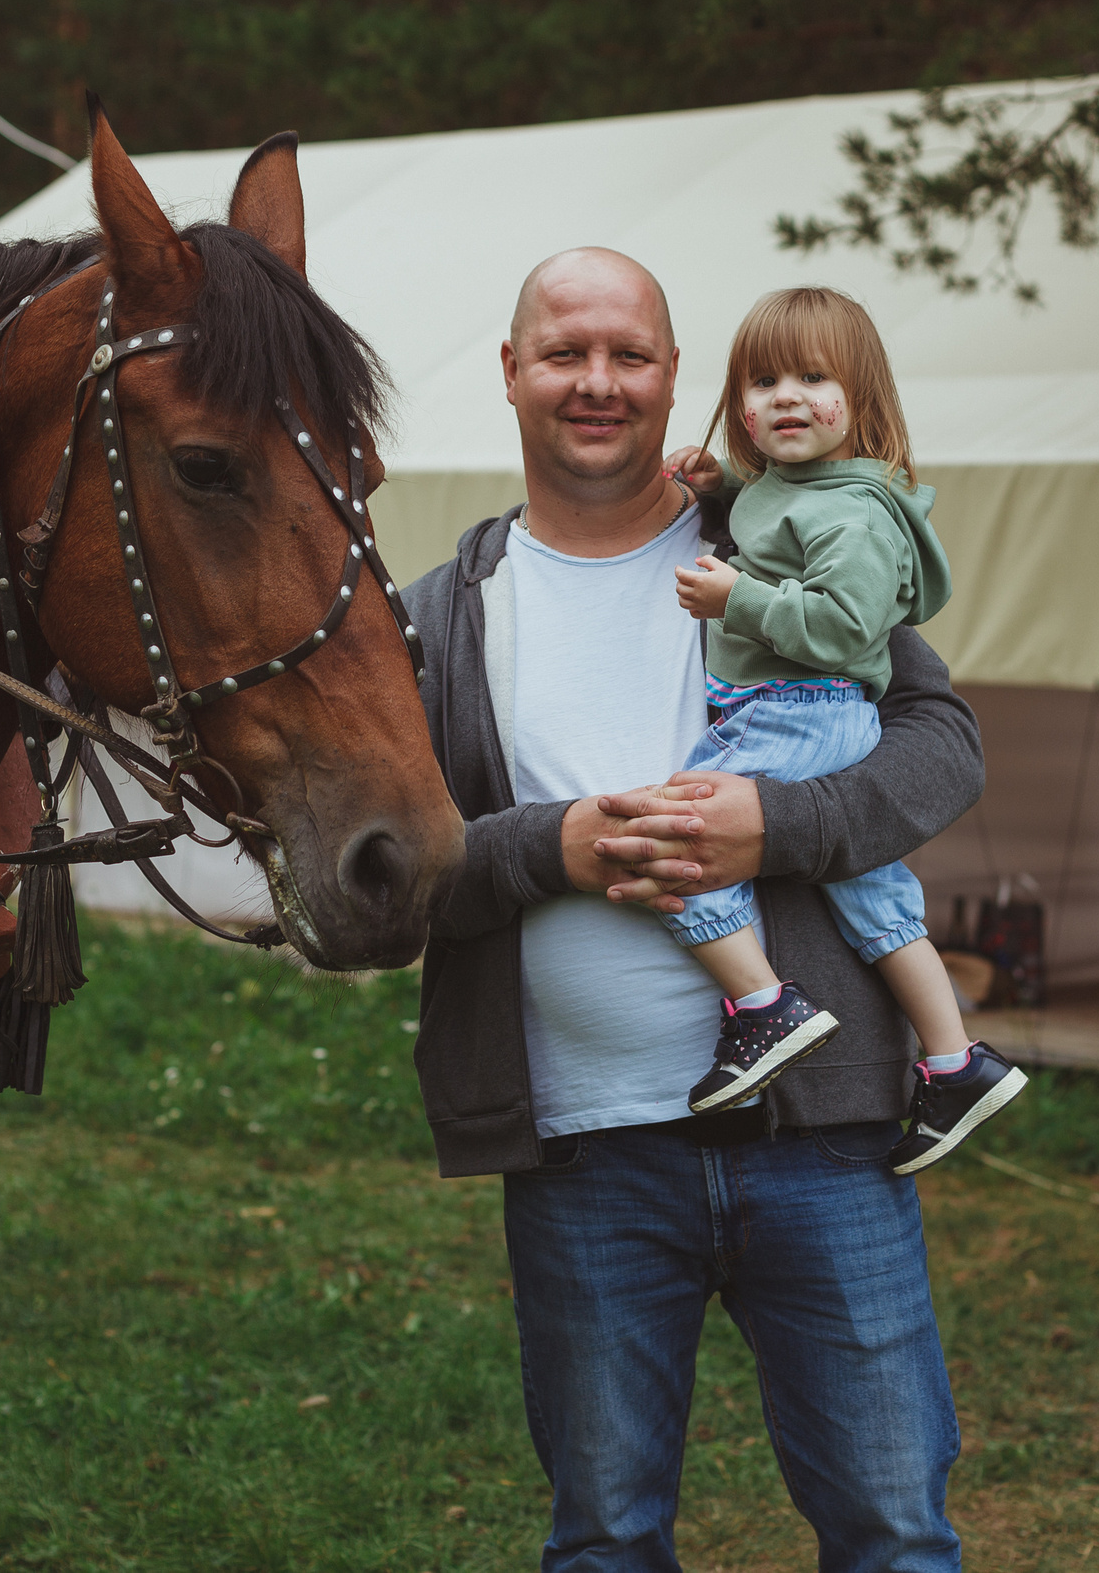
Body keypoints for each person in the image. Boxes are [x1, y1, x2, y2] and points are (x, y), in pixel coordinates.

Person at [405, 247, 983, 1571]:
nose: (597, 383)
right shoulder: (446, 614)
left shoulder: (785, 539)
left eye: (630, 355)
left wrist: (773, 825)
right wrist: (549, 846)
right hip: (586, 1154)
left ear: (678, 380)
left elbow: (944, 746)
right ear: (511, 372)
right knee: (605, 1538)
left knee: (894, 1533)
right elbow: (398, 872)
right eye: (565, 353)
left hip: (823, 1138)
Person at [656, 287, 1026, 1174]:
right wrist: (722, 484)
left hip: (795, 708)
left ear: (862, 398)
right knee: (880, 909)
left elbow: (847, 628)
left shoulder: (855, 515)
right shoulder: (807, 490)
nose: (784, 396)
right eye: (763, 379)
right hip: (824, 716)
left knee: (681, 846)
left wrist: (734, 595)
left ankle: (762, 1008)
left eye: (812, 377)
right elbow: (787, 516)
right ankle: (952, 1060)